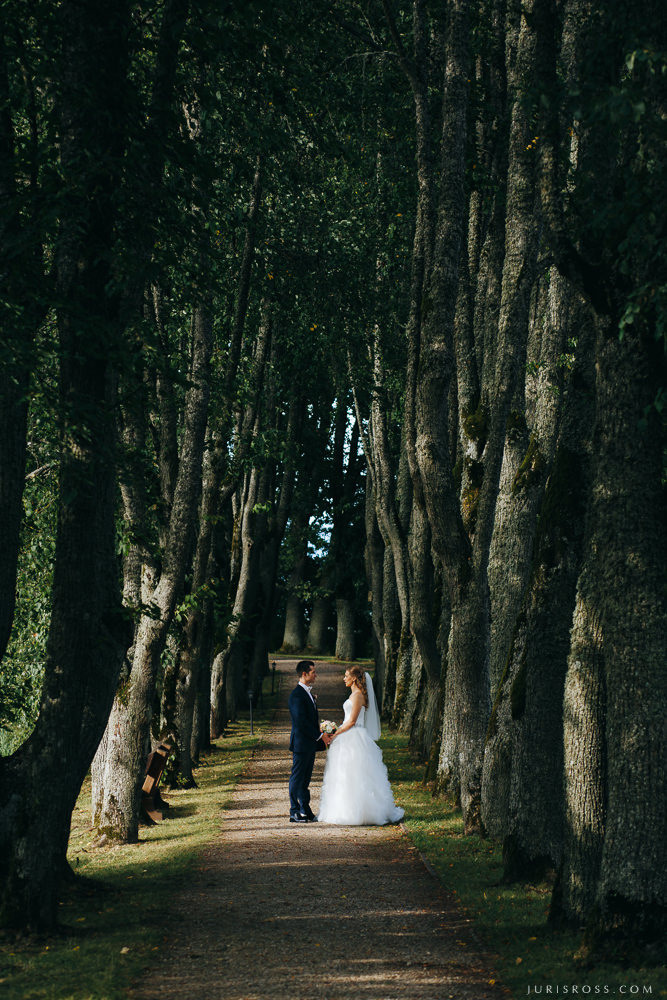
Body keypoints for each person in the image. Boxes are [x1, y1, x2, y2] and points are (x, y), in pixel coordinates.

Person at [317, 665, 404, 825]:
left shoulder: (357, 696)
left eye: (346, 676)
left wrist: (335, 733)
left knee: (355, 775)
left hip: (354, 737)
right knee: (344, 774)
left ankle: (360, 812)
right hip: (348, 735)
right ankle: (343, 809)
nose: (344, 679)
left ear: (354, 678)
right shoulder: (354, 694)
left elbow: (351, 721)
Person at [288, 660, 330, 823]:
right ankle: (294, 811)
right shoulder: (296, 695)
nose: (316, 674)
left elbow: (310, 720)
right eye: (313, 672)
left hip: (309, 744)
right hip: (301, 744)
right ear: (304, 674)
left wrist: (320, 730)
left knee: (305, 780)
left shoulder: (306, 693)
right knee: (297, 778)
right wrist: (320, 736)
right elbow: (301, 721)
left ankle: (305, 809)